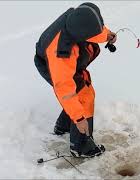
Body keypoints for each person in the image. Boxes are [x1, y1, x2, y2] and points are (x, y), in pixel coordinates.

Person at [34, 2, 117, 158]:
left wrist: (107, 35)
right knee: (84, 96)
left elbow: (92, 28)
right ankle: (81, 146)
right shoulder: (61, 53)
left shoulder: (77, 19)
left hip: (64, 63)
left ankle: (63, 126)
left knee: (81, 92)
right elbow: (65, 89)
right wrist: (79, 118)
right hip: (51, 65)